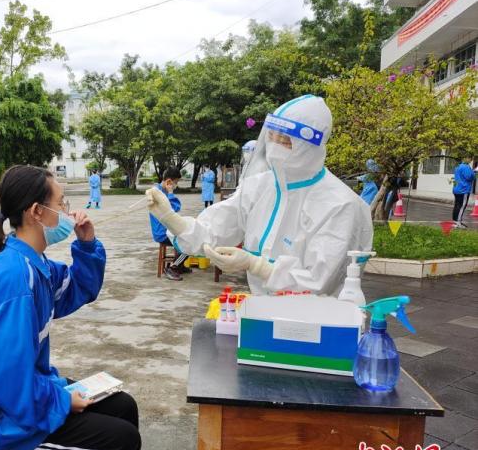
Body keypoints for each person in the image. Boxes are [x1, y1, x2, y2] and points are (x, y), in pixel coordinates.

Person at [0, 165, 140, 450]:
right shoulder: (14, 278)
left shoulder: (35, 264)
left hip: (28, 392)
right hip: (4, 413)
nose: (68, 212)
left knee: (123, 406)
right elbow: (2, 377)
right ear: (37, 212)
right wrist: (59, 400)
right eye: (61, 202)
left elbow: (77, 289)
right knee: (119, 445)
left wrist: (86, 245)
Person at [146, 94, 373, 297]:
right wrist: (171, 219)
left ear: (311, 146)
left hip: (316, 327)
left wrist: (258, 266)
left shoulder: (339, 204)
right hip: (263, 314)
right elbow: (214, 229)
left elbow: (320, 282)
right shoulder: (260, 187)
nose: (275, 147)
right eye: (272, 137)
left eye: (285, 141)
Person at [149, 167, 192, 282]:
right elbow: (174, 208)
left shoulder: (161, 191)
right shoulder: (157, 193)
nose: (176, 185)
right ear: (169, 182)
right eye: (175, 182)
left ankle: (180, 264)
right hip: (162, 232)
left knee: (190, 234)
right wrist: (171, 193)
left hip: (168, 229)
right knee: (188, 242)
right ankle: (173, 267)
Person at [452, 157, 476, 229]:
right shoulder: (466, 167)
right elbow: (469, 177)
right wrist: (473, 173)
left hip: (457, 189)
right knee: (462, 206)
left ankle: (455, 221)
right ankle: (458, 223)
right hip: (463, 190)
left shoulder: (458, 166)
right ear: (466, 159)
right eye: (470, 158)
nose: (471, 160)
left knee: (457, 205)